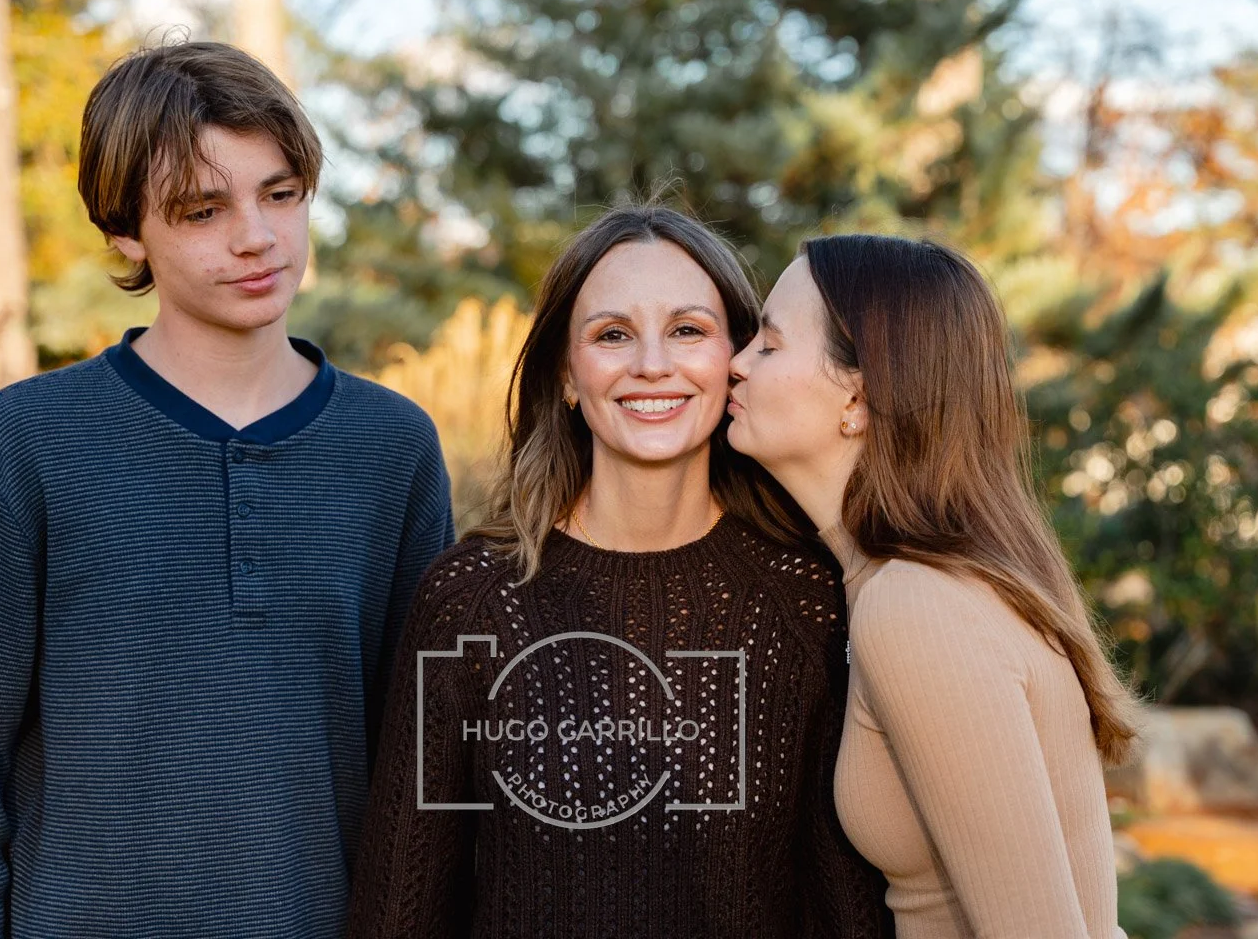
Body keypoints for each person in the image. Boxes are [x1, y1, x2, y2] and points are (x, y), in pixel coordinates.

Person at [0, 41, 454, 938]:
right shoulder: (31, 440)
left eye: (280, 193)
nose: (257, 237)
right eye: (203, 209)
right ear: (124, 230)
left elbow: (425, 768)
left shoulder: (392, 449)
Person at [346, 205, 893, 939]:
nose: (652, 365)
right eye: (612, 335)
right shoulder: (469, 601)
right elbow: (399, 910)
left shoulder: (807, 597)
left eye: (688, 330)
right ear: (567, 375)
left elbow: (844, 910)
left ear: (736, 360)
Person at [726, 233, 1142, 938]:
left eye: (767, 345)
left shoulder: (917, 606)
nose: (735, 365)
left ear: (856, 396)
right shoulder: (910, 586)